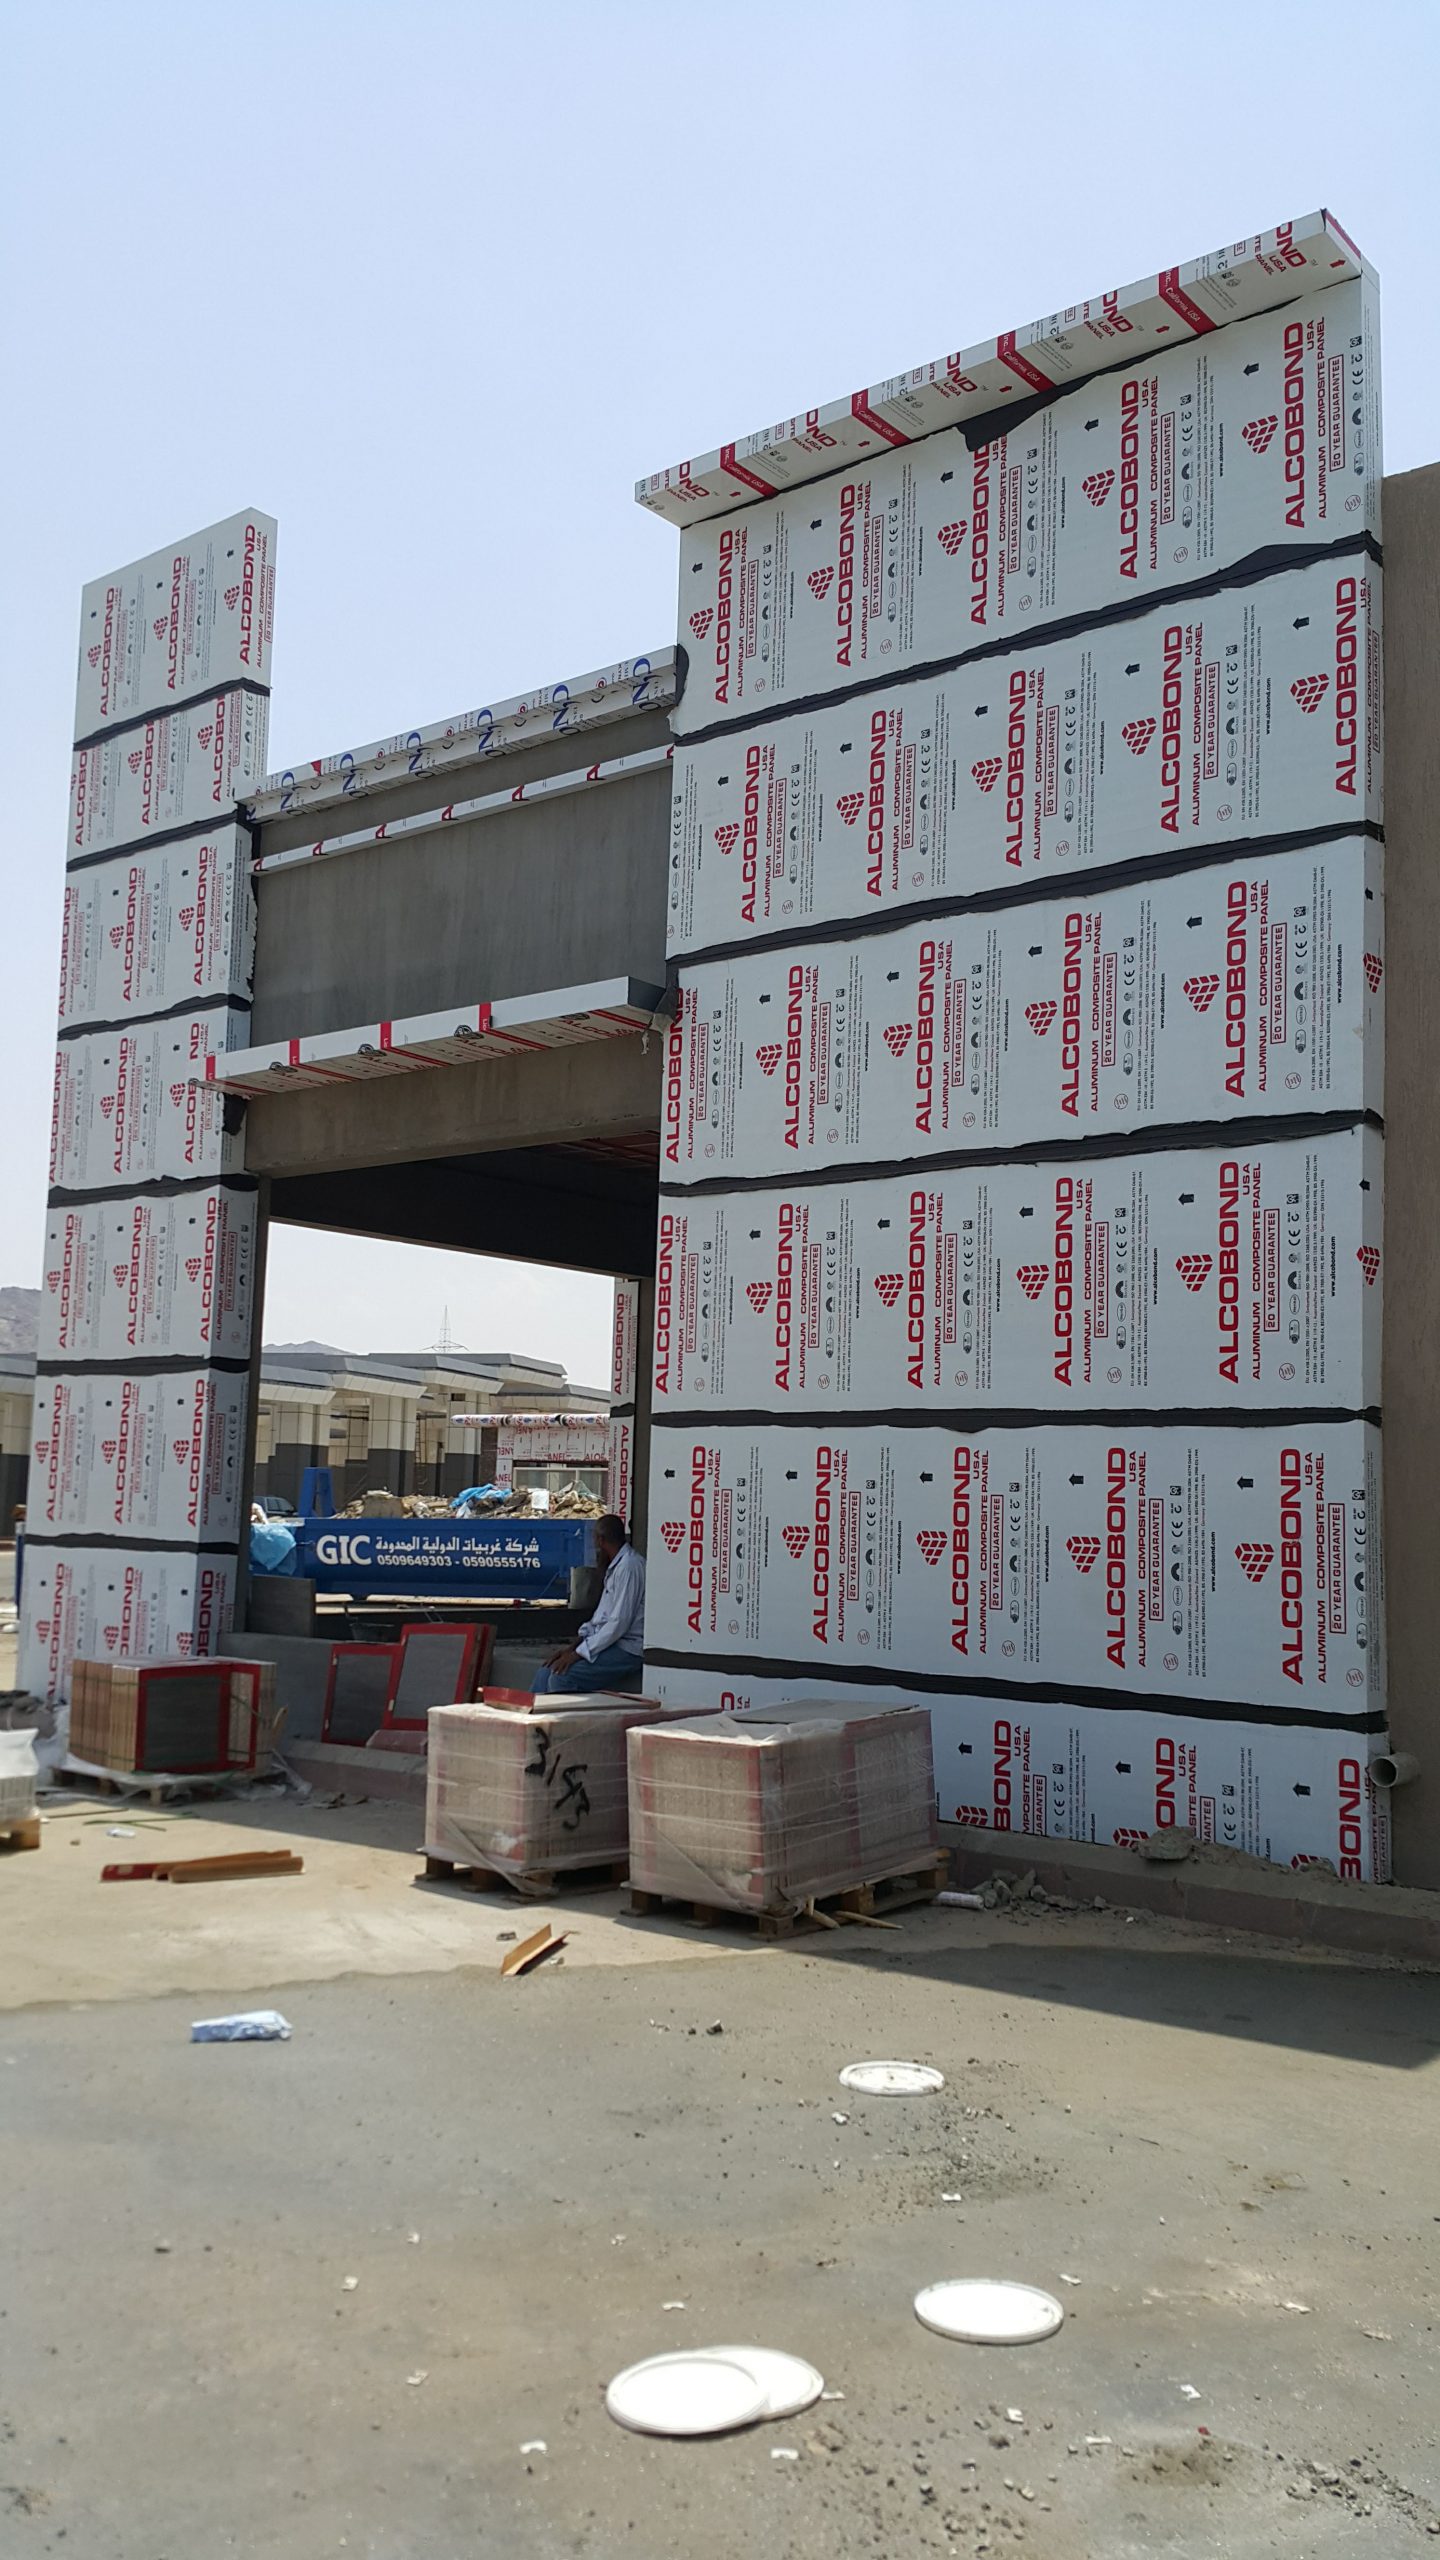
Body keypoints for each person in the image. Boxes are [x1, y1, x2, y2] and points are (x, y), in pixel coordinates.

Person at [533, 1515, 645, 1695]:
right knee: (545, 1671)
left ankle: (563, 1714)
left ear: (600, 1540)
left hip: (627, 1648)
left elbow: (618, 1624)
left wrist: (579, 1654)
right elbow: (599, 1620)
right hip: (608, 1642)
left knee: (561, 1677)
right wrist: (572, 1648)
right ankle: (530, 1712)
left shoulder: (629, 1567)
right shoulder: (616, 1566)